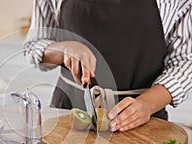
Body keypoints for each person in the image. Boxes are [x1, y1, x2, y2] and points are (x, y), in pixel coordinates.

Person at [23, 0, 192, 132]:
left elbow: (184, 62)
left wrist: (147, 104)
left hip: (144, 121)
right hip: (70, 115)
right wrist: (64, 49)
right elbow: (34, 45)